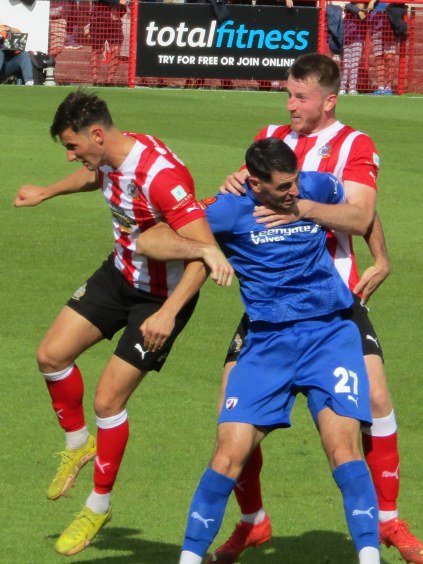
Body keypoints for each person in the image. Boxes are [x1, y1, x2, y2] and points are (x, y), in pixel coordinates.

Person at [215, 53, 423, 564]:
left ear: (329, 100)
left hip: (332, 297)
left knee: (376, 397)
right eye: (287, 94)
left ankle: (389, 519)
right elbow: (242, 196)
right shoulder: (271, 135)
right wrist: (231, 184)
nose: (290, 105)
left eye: (301, 97)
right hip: (271, 300)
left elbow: (360, 212)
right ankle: (253, 522)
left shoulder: (355, 144)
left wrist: (308, 211)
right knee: (232, 408)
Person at [136, 137, 381, 564]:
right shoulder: (228, 209)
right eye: (283, 188)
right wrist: (205, 250)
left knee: (343, 449)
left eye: (294, 183)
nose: (293, 192)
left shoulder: (314, 187)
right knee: (227, 454)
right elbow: (149, 239)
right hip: (268, 343)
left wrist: (381, 258)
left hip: (329, 335)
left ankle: (369, 557)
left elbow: (362, 215)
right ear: (254, 183)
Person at [13, 90, 232, 556]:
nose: (73, 155)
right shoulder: (110, 156)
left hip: (159, 301)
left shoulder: (161, 176)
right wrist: (47, 191)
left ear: (96, 134)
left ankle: (97, 505)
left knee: (107, 398)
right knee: (50, 355)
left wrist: (168, 314)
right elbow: (98, 179)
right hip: (120, 274)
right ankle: (78, 445)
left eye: (73, 146)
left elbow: (204, 253)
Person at [89, 0, 127, 85]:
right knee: (96, 50)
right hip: (98, 18)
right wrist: (118, 2)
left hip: (115, 20)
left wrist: (122, 4)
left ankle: (110, 80)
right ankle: (95, 80)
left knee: (116, 50)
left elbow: (124, 2)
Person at [341, 2, 368, 95]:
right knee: (346, 64)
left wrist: (360, 12)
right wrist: (357, 11)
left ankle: (352, 88)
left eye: (360, 3)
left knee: (354, 64)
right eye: (356, 3)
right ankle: (342, 87)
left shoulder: (365, 13)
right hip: (347, 40)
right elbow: (347, 5)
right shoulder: (349, 10)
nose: (358, 5)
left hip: (358, 40)